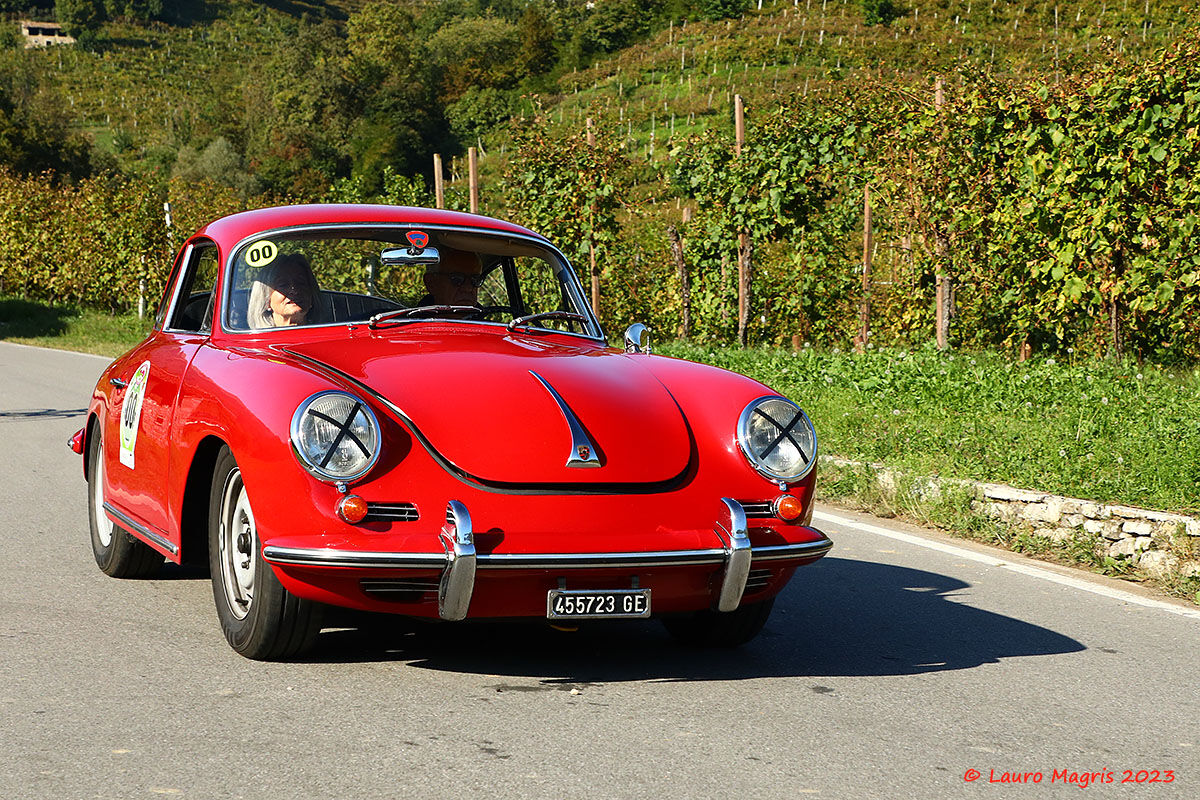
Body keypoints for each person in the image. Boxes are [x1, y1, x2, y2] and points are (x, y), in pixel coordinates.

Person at [247, 253, 323, 328]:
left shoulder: (325, 332)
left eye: (301, 283)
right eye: (283, 285)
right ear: (266, 300)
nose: (294, 291)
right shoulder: (257, 336)